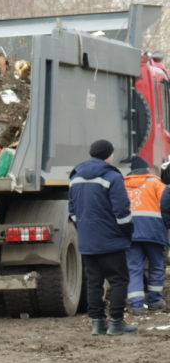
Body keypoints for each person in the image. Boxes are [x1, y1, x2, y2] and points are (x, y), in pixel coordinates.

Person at [69, 140, 136, 335]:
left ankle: (98, 323)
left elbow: (72, 210)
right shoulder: (112, 176)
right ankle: (116, 322)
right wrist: (127, 231)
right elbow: (122, 210)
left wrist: (83, 228)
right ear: (109, 155)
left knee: (94, 282)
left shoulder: (75, 177)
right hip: (111, 240)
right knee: (119, 280)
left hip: (88, 241)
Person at [122, 154, 169, 312]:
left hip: (131, 233)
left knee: (134, 268)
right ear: (147, 168)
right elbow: (166, 204)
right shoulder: (156, 183)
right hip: (155, 232)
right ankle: (155, 301)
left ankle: (136, 305)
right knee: (156, 266)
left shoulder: (123, 184)